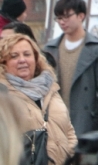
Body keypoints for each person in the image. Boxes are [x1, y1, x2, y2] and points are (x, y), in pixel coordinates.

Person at [0, 33, 77, 164]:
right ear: (3, 63)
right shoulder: (3, 95)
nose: (22, 60)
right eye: (14, 56)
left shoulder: (50, 88)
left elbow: (68, 131)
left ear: (36, 58)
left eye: (27, 54)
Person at [43, 0, 98, 135]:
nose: (62, 22)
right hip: (56, 122)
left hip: (84, 122)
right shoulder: (50, 49)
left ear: (81, 16)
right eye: (59, 18)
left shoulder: (97, 49)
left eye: (66, 17)